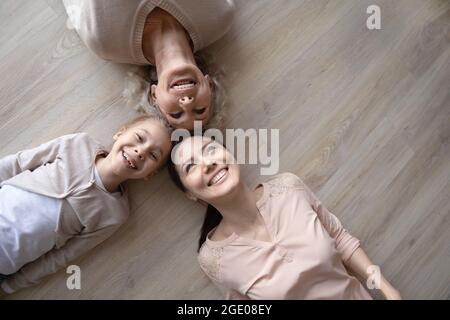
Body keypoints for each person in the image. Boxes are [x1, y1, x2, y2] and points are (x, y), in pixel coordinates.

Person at [167, 135, 402, 299]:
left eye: (210, 150)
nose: (207, 163)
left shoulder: (289, 187)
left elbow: (341, 240)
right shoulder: (212, 259)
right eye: (190, 166)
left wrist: (388, 291)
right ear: (189, 193)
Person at [0, 114, 172, 295]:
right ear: (120, 133)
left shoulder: (114, 213)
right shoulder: (78, 144)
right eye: (139, 138)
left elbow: (62, 256)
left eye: (153, 155)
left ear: (150, 174)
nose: (141, 151)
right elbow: (17, 164)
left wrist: (11, 286)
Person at [63, 0, 235, 130]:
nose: (187, 102)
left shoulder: (105, 41)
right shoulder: (218, 18)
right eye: (199, 110)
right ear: (210, 86)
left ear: (154, 98)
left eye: (176, 114)